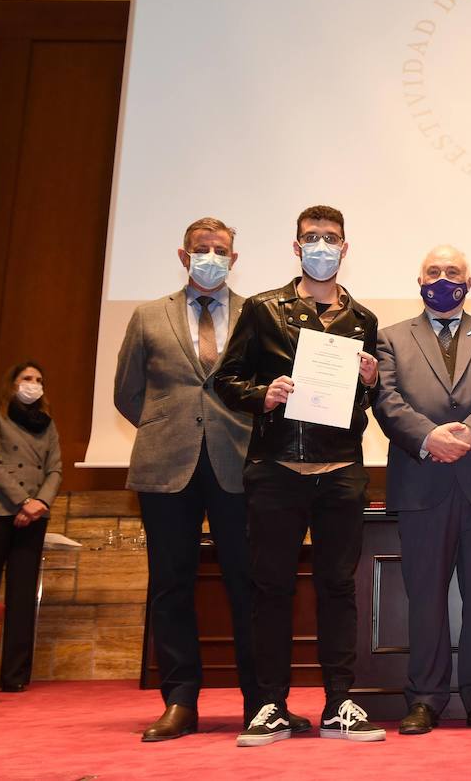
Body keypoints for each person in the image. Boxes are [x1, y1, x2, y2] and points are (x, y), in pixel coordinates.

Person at [113, 217, 296, 742]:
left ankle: (261, 703)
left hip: (240, 464)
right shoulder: (148, 316)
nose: (210, 256)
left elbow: (265, 387)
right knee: (171, 585)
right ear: (183, 254)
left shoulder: (258, 314)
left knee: (250, 585)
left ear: (235, 259)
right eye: (201, 249)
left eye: (220, 250)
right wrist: (166, 427)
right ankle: (179, 700)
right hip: (165, 466)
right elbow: (128, 394)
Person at [213, 205, 384, 746]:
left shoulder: (363, 320)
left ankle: (340, 703)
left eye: (330, 238)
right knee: (271, 589)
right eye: (311, 237)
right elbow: (227, 380)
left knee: (339, 588)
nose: (321, 245)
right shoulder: (264, 309)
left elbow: (365, 405)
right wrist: (261, 394)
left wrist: (374, 382)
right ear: (295, 246)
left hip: (340, 470)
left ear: (345, 248)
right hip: (276, 467)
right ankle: (269, 705)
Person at [373, 245, 471, 735]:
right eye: (433, 271)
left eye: (453, 271)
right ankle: (425, 698)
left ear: (469, 280)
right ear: (419, 280)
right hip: (422, 482)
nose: (443, 278)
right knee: (425, 597)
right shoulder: (390, 337)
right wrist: (428, 437)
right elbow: (386, 398)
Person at [0, 362, 61, 693]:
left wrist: (39, 504)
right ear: (12, 383)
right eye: (27, 379)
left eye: (39, 380)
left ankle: (15, 675)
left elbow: (55, 469)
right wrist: (22, 501)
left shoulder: (48, 424)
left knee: (22, 595)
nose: (34, 384)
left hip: (34, 517)